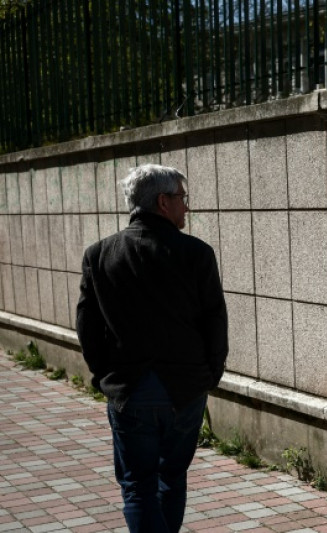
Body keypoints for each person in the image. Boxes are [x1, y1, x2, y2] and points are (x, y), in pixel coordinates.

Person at [76, 164, 228, 533]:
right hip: (186, 387)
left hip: (130, 388)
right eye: (182, 198)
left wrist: (103, 377)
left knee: (138, 486)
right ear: (163, 202)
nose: (186, 207)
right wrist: (211, 374)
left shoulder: (99, 254)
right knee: (172, 477)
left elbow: (88, 325)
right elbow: (215, 320)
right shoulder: (196, 253)